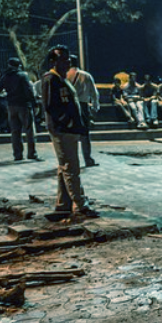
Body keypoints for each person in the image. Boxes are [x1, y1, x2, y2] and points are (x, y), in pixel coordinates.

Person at [41, 45, 99, 218]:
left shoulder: (62, 79)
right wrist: (67, 123)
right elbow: (51, 106)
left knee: (64, 168)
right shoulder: (51, 79)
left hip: (69, 129)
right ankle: (80, 204)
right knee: (71, 168)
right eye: (63, 59)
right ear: (53, 61)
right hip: (62, 130)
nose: (67, 62)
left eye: (67, 59)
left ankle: (63, 204)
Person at [0, 58, 40, 162]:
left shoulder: (5, 76)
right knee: (29, 130)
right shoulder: (22, 75)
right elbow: (29, 91)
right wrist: (35, 104)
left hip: (11, 106)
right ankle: (32, 154)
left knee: (15, 131)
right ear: (19, 65)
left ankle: (17, 154)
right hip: (24, 105)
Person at [67, 55, 100, 167]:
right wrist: (95, 106)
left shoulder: (64, 75)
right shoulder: (86, 75)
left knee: (70, 134)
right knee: (85, 134)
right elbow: (94, 93)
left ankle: (71, 160)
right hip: (83, 106)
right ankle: (88, 159)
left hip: (69, 106)